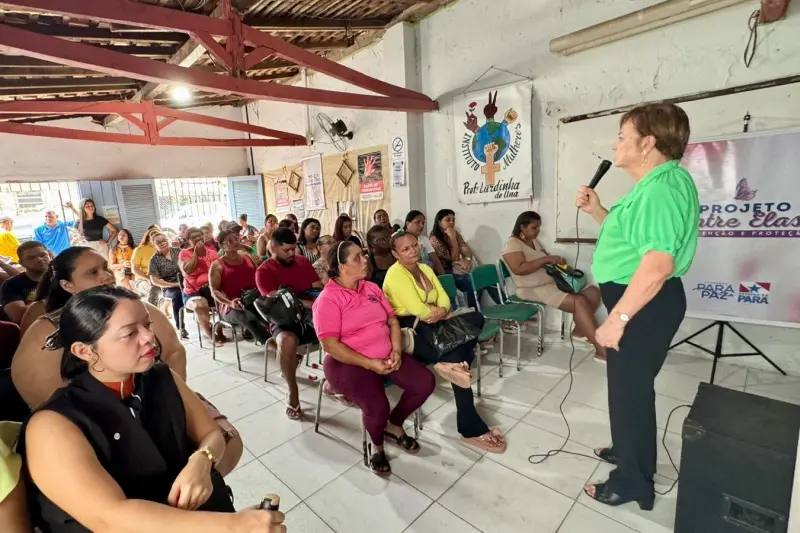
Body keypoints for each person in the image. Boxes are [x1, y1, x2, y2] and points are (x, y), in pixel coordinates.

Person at [19, 286, 286, 533]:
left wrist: (201, 461)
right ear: (85, 351)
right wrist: (232, 526)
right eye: (130, 333)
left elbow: (212, 434)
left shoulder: (161, 377)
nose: (149, 337)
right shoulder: (53, 425)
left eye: (147, 325)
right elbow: (110, 518)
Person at [11, 247, 244, 477]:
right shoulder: (48, 329)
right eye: (92, 272)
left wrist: (168, 401)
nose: (106, 275)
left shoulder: (136, 310)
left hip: (156, 401)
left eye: (105, 267)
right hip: (98, 427)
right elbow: (42, 395)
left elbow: (173, 351)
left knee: (227, 440)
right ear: (67, 285)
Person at [576, 103, 698, 510]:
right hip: (644, 301)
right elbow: (634, 244)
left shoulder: (662, 188)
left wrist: (617, 319)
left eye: (623, 136)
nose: (617, 143)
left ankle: (631, 482)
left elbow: (657, 264)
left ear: (647, 143)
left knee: (629, 395)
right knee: (630, 392)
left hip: (642, 305)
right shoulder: (655, 186)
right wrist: (598, 212)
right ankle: (629, 451)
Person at [313, 241, 435, 475]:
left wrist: (396, 351)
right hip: (346, 363)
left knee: (424, 383)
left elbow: (392, 321)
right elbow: (330, 344)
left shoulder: (371, 288)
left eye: (364, 255)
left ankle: (394, 425)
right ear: (341, 267)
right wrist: (369, 363)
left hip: (385, 354)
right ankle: (377, 445)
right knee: (378, 406)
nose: (365, 260)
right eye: (357, 258)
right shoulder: (328, 300)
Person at [383, 231, 506, 454]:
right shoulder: (395, 275)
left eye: (414, 246)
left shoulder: (426, 269)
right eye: (406, 249)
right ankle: (469, 428)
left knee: (476, 319)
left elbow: (444, 300)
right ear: (395, 254)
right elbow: (418, 310)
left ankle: (449, 364)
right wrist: (437, 312)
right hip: (411, 330)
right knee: (458, 353)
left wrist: (439, 311)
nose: (413, 251)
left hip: (434, 325)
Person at [502, 211, 606, 362]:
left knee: (593, 292)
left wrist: (556, 261)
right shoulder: (512, 244)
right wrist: (546, 259)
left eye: (539, 227)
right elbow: (519, 269)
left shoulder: (535, 242)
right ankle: (602, 351)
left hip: (550, 282)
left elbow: (546, 261)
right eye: (534, 227)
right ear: (522, 227)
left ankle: (579, 332)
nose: (538, 231)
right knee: (579, 302)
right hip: (531, 289)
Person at [255, 228, 322, 420]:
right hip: (282, 317)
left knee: (334, 328)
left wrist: (322, 292)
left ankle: (332, 382)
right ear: (273, 248)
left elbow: (316, 285)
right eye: (287, 250)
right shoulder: (264, 271)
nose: (292, 253)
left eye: (293, 249)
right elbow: (276, 301)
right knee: (286, 341)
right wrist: (303, 302)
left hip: (310, 311)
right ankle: (293, 391)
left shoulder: (301, 261)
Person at [429, 209, 498, 310]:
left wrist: (468, 259)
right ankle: (474, 311)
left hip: (459, 269)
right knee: (475, 280)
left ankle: (505, 305)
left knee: (487, 277)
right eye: (448, 220)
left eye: (453, 219)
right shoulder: (434, 239)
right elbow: (454, 258)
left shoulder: (455, 233)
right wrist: (452, 238)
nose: (452, 222)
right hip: (447, 274)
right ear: (439, 222)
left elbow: (465, 249)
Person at [210, 230, 269, 345]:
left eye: (236, 238)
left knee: (271, 311)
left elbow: (258, 277)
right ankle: (275, 346)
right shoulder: (217, 265)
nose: (236, 242)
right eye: (230, 241)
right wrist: (229, 303)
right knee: (247, 317)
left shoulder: (247, 257)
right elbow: (214, 290)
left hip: (253, 298)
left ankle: (282, 340)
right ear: (222, 246)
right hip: (231, 305)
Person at [179, 228, 225, 346]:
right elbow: (187, 271)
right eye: (194, 237)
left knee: (226, 300)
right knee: (200, 305)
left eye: (200, 236)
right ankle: (210, 333)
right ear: (188, 240)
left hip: (211, 287)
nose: (198, 238)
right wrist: (196, 254)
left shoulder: (212, 251)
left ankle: (219, 329)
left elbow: (219, 269)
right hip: (193, 292)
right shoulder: (184, 253)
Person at [148, 232, 189, 339]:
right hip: (169, 286)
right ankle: (181, 327)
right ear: (153, 245)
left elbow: (189, 265)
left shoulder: (178, 251)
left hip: (186, 282)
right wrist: (173, 284)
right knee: (177, 295)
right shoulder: (154, 260)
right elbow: (154, 280)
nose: (163, 243)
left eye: (164, 240)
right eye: (159, 242)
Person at [1, 242, 50, 325]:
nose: (39, 259)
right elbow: (18, 315)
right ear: (21, 263)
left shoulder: (63, 277)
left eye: (43, 255)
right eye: (31, 258)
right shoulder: (11, 284)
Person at [403, 210, 445, 275]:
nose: (421, 226)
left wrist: (444, 277)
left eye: (423, 223)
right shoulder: (399, 239)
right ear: (407, 223)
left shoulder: (424, 239)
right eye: (418, 222)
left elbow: (435, 259)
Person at [131, 224, 161, 306]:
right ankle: (152, 313)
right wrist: (148, 278)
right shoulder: (139, 250)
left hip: (160, 278)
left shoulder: (161, 249)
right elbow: (135, 270)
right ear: (148, 237)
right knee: (154, 288)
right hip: (143, 279)